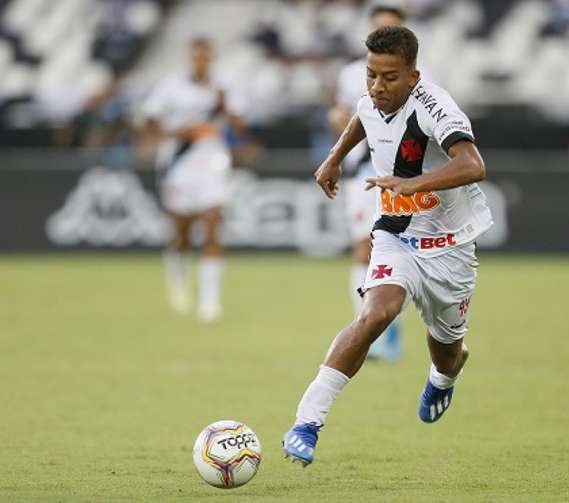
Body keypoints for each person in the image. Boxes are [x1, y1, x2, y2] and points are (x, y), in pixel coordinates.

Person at [283, 26, 492, 466]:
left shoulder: (436, 106)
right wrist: (334, 158)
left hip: (450, 245)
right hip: (396, 234)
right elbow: (362, 116)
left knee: (448, 349)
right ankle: (307, 422)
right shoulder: (369, 98)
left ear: (413, 76)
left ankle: (443, 377)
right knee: (376, 312)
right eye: (371, 74)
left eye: (390, 77)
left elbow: (473, 165)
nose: (378, 86)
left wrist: (412, 183)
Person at [141, 37, 247, 322]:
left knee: (212, 222)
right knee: (181, 232)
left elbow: (240, 125)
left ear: (211, 58)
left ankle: (209, 303)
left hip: (212, 162)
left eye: (205, 57)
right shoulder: (171, 86)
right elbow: (148, 120)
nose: (201, 61)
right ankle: (177, 277)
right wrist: (177, 132)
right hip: (179, 163)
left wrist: (225, 108)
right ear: (190, 58)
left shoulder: (224, 86)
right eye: (196, 57)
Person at [328, 4, 408, 361]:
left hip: (406, 176)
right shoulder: (350, 75)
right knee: (364, 248)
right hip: (365, 172)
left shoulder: (423, 76)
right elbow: (341, 116)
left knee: (401, 253)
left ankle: (392, 328)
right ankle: (369, 329)